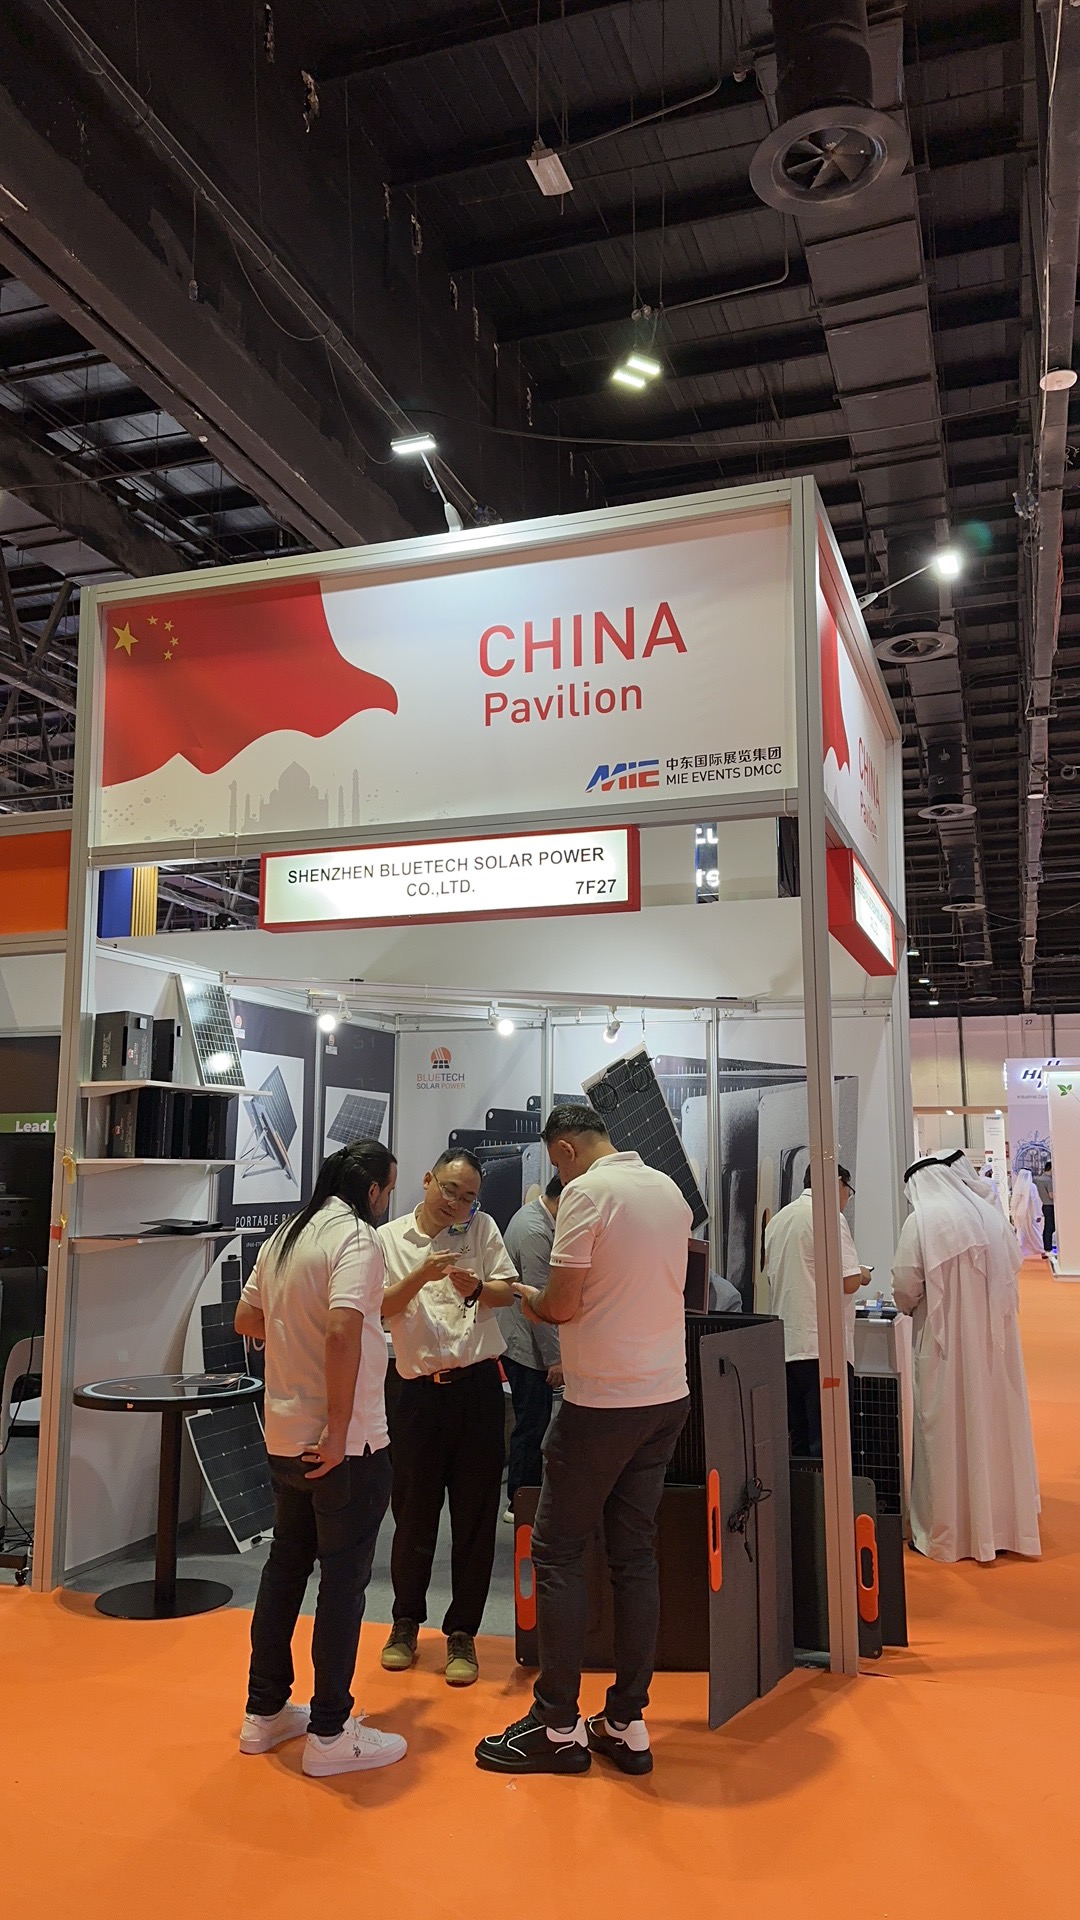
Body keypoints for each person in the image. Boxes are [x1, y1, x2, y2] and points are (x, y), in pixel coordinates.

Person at [476, 1104, 691, 1779]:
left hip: (602, 1402)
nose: (557, 1174)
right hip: (666, 1395)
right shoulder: (667, 1189)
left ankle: (557, 1725)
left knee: (558, 1551)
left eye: (555, 1162)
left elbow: (562, 1305)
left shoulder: (588, 1193)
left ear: (565, 1149)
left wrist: (519, 1294)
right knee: (634, 1555)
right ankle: (626, 1720)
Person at [235, 1140, 407, 1780]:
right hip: (345, 1445)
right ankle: (331, 1731)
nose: (387, 1201)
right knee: (342, 1580)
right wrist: (337, 1429)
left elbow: (247, 1317)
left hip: (284, 1436)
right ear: (372, 1190)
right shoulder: (357, 1237)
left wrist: (292, 1337)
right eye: (388, 1190)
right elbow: (341, 1331)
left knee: (286, 1569)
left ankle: (264, 1711)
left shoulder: (286, 1235)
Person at [377, 1148, 517, 1687]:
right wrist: (422, 1275)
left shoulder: (482, 1230)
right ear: (427, 1180)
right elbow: (379, 1307)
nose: (456, 1203)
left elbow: (508, 1291)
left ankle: (463, 1632)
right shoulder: (389, 1239)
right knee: (413, 1512)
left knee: (476, 1516)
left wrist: (478, 1288)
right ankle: (405, 1622)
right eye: (449, 1190)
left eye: (468, 1197)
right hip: (414, 1392)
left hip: (477, 1390)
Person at [892, 1150, 1041, 1563]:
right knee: (996, 1426)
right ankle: (1003, 1524)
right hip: (996, 1352)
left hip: (947, 1353)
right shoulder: (989, 1216)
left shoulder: (922, 1222)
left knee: (947, 1431)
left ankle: (950, 1534)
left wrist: (907, 1305)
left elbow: (904, 1286)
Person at [763, 1164, 866, 1458]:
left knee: (798, 1444)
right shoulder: (829, 1216)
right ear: (838, 1183)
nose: (846, 1198)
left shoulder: (778, 1220)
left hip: (787, 1347)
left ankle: (804, 1490)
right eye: (848, 1191)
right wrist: (862, 1273)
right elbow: (849, 1281)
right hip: (823, 1349)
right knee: (829, 1446)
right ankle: (825, 1492)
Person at [500, 1175, 564, 1521]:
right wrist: (556, 1359)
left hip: (524, 1338)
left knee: (532, 1422)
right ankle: (520, 1500)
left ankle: (525, 1494)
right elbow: (538, 1301)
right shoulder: (535, 1231)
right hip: (526, 1344)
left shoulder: (534, 1217)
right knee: (532, 1424)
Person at [1010, 1167, 1045, 1260]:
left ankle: (1020, 1250)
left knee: (1020, 1232)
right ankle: (1040, 1250)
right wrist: (1038, 1214)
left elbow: (1014, 1202)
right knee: (1034, 1232)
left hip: (1018, 1213)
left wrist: (1013, 1213)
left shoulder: (1018, 1187)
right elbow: (1035, 1201)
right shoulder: (1032, 1186)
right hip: (1030, 1213)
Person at [1035, 1159, 1055, 1253]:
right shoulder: (1049, 1180)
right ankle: (1048, 1247)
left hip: (1044, 1205)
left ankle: (1047, 1246)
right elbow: (1051, 1195)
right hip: (1050, 1206)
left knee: (1047, 1227)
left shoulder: (1038, 1179)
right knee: (1050, 1228)